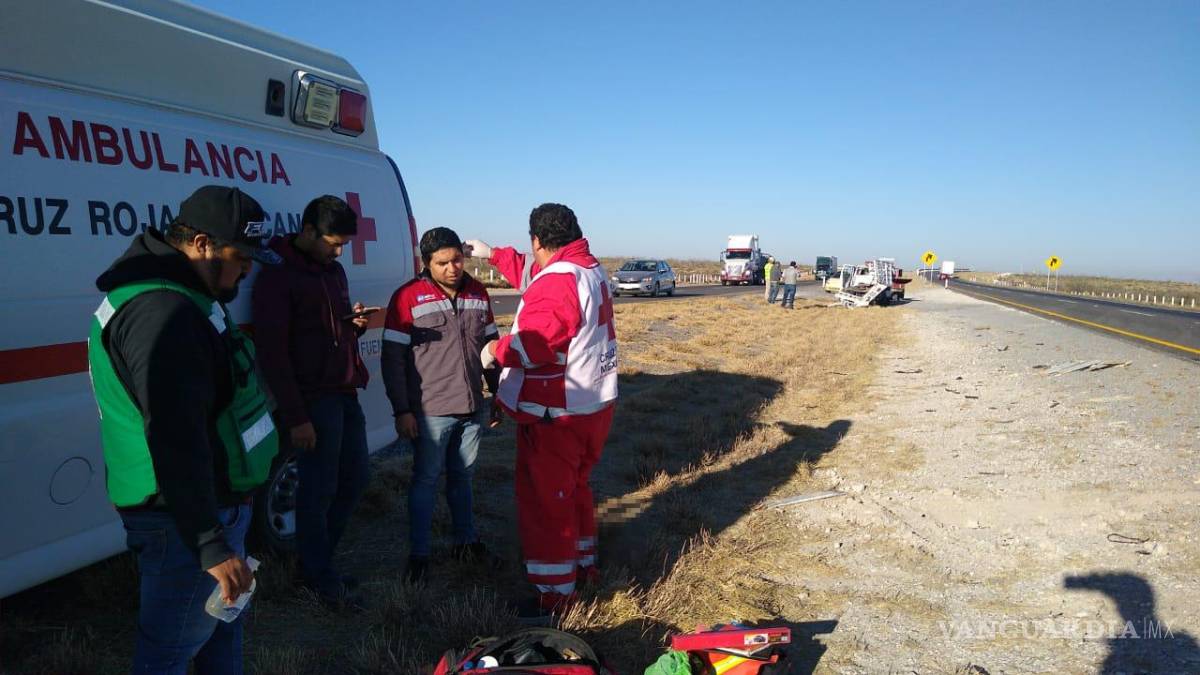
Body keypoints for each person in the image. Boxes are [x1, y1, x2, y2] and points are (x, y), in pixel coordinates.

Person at [88, 185, 281, 673]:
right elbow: (175, 436)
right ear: (200, 244)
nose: (248, 270)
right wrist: (209, 543)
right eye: (241, 258)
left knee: (218, 639)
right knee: (168, 655)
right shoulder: (164, 312)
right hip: (186, 521)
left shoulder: (187, 294)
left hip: (206, 509)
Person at [482, 203, 618, 620]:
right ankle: (582, 566)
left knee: (546, 504)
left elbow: (536, 343)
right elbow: (531, 271)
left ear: (538, 240)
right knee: (574, 490)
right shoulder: (589, 268)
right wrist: (492, 254)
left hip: (556, 412)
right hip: (592, 405)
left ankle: (555, 596)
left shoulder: (558, 279)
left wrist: (495, 350)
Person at [251, 195, 371, 607]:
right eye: (333, 243)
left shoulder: (333, 272)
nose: (339, 252)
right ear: (306, 231)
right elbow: (273, 353)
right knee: (317, 490)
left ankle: (317, 562)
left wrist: (352, 325)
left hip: (343, 391)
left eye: (343, 245)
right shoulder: (277, 277)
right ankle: (316, 576)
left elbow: (330, 330)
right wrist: (297, 416)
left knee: (355, 479)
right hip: (311, 400)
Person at [381, 227, 504, 583]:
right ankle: (419, 555)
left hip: (471, 407)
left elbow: (491, 349)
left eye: (457, 260)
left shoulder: (478, 293)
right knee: (425, 480)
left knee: (462, 478)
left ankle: (465, 542)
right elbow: (393, 361)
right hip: (429, 410)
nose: (453, 268)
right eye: (443, 262)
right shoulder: (406, 298)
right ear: (426, 262)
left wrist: (498, 394)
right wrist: (402, 410)